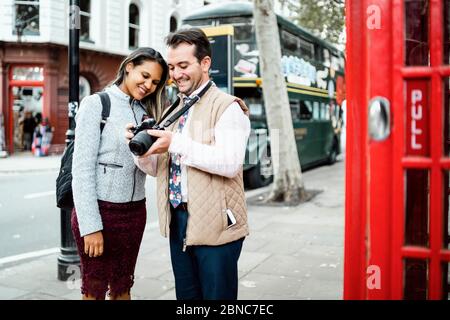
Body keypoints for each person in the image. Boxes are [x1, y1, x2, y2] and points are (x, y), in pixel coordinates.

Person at [126, 28, 251, 300]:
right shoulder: (173, 109)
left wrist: (176, 142)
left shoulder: (227, 107)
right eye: (171, 67)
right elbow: (157, 169)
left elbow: (230, 163)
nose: (176, 74)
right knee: (187, 299)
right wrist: (138, 149)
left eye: (183, 65)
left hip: (217, 225)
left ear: (205, 63)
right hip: (178, 221)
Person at [71, 47, 169, 300]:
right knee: (94, 291)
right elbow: (81, 170)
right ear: (129, 67)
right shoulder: (96, 104)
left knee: (123, 289)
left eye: (155, 82)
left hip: (135, 214)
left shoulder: (146, 112)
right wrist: (90, 227)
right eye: (144, 76)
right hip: (100, 213)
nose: (148, 85)